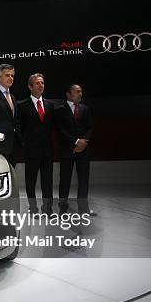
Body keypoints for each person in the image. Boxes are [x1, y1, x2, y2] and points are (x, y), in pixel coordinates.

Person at [17, 73, 55, 213]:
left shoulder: (50, 105)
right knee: (30, 182)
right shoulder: (21, 106)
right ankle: (33, 208)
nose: (41, 85)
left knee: (47, 182)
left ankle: (48, 208)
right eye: (38, 83)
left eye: (42, 83)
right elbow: (18, 127)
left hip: (47, 151)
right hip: (31, 151)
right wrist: (24, 143)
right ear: (30, 86)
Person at [56, 84, 95, 215]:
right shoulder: (60, 110)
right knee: (65, 179)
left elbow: (90, 128)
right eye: (77, 91)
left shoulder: (85, 109)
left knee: (84, 179)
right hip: (67, 150)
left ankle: (84, 208)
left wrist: (84, 142)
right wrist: (76, 142)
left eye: (81, 92)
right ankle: (63, 207)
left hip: (83, 150)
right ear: (68, 94)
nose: (80, 94)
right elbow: (60, 130)